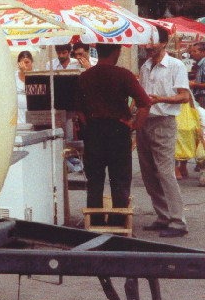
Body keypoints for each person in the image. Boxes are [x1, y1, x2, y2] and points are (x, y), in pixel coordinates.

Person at [75, 43, 151, 226]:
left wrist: (89, 126)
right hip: (118, 131)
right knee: (120, 180)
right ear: (116, 52)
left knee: (94, 181)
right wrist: (134, 126)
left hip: (93, 131)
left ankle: (95, 221)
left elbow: (78, 110)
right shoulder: (123, 75)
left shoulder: (85, 76)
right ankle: (118, 221)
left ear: (97, 52)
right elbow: (145, 103)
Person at [138, 27, 190, 237]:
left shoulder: (175, 66)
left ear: (164, 44)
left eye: (153, 42)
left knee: (165, 172)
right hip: (145, 122)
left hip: (164, 122)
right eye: (147, 42)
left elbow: (184, 96)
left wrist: (161, 99)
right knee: (149, 173)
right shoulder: (145, 67)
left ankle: (178, 221)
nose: (148, 46)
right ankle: (163, 216)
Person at [15, 50, 33, 124]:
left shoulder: (36, 75)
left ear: (32, 62)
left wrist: (26, 72)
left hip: (31, 113)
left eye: (27, 62)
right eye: (22, 63)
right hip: (17, 113)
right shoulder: (14, 76)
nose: (25, 65)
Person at [189, 41, 205, 108]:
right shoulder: (200, 64)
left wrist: (193, 84)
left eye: (194, 51)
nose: (192, 54)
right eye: (191, 51)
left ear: (203, 52)